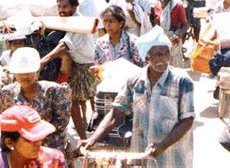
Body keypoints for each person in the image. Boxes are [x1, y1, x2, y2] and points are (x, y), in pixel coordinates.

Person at [78, 27, 195, 168]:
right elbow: (116, 114)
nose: (163, 59)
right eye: (158, 54)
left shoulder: (182, 81)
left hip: (173, 157)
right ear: (147, 57)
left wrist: (162, 146)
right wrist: (92, 140)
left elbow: (187, 120)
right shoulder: (134, 81)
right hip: (141, 155)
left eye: (166, 53)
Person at [0, 48, 71, 154]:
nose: (24, 76)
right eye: (20, 72)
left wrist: (34, 136)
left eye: (29, 72)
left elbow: (61, 122)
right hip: (20, 151)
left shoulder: (55, 91)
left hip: (50, 149)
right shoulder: (6, 93)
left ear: (37, 72)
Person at [40, 0, 96, 140]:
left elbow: (65, 45)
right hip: (77, 65)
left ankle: (86, 139)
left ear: (74, 7)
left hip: (86, 67)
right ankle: (84, 138)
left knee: (79, 104)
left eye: (65, 7)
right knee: (74, 104)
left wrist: (43, 61)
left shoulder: (79, 23)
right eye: (59, 6)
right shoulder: (68, 22)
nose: (61, 10)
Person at [0, 105, 66, 167]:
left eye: (39, 137)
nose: (38, 144)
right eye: (30, 140)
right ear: (10, 142)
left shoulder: (54, 160)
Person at [153, 0, 189, 68]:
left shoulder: (178, 5)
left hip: (173, 39)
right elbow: (156, 24)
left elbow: (185, 25)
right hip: (160, 39)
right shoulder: (156, 5)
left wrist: (178, 36)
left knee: (173, 66)